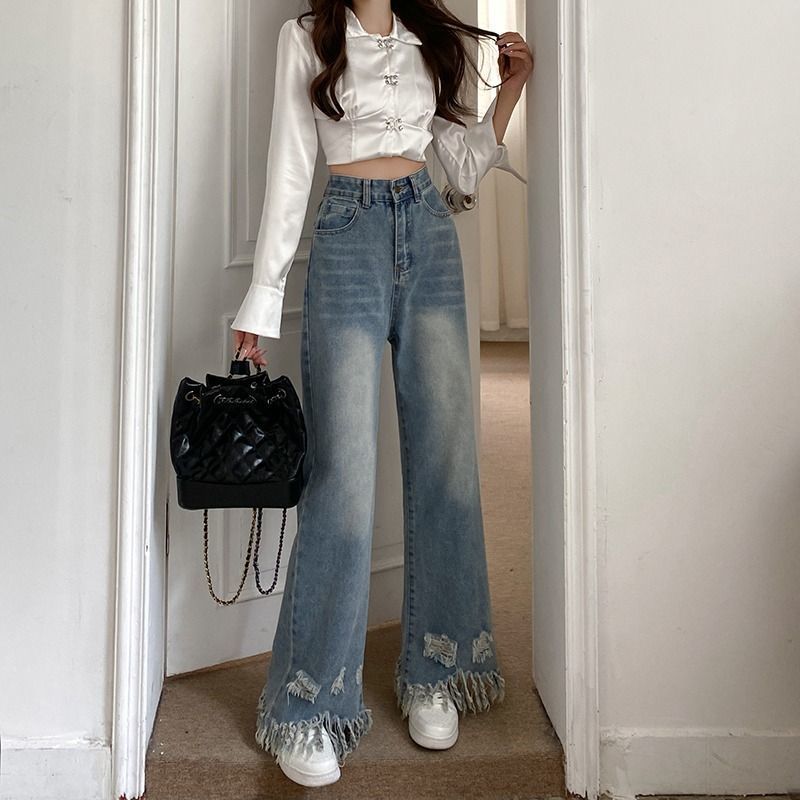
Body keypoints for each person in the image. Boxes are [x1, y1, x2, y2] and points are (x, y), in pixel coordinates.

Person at [230, 0, 533, 788]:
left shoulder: (430, 38)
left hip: (428, 232)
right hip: (347, 238)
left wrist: (509, 92)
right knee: (342, 478)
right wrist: (261, 301)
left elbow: (459, 165)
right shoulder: (307, 38)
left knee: (447, 461)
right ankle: (309, 705)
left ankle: (435, 668)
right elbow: (290, 167)